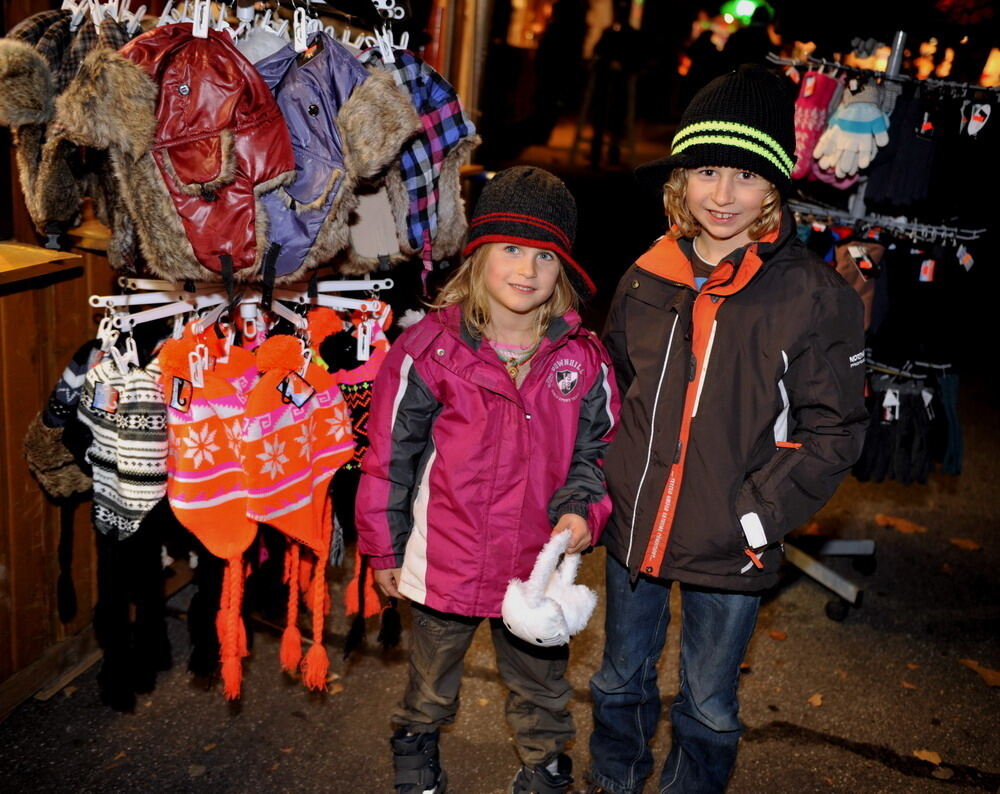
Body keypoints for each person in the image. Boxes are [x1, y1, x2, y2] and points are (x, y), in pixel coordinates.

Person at [585, 65, 869, 794]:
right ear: (681, 178)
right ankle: (615, 781)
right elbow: (616, 390)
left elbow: (834, 426)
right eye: (707, 171)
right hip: (636, 528)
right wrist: (607, 483)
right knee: (619, 678)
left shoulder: (809, 294)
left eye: (744, 176)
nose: (722, 195)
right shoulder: (646, 275)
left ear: (773, 186)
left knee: (708, 705)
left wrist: (758, 512)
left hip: (732, 542)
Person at [355, 166, 620, 794]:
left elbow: (600, 449)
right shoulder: (427, 350)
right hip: (444, 556)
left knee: (541, 684)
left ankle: (545, 766)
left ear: (563, 273)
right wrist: (385, 545)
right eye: (510, 249)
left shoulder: (581, 360)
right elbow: (390, 455)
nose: (526, 269)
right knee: (431, 674)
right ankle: (416, 747)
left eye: (544, 256)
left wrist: (584, 509)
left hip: (534, 567)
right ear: (477, 256)